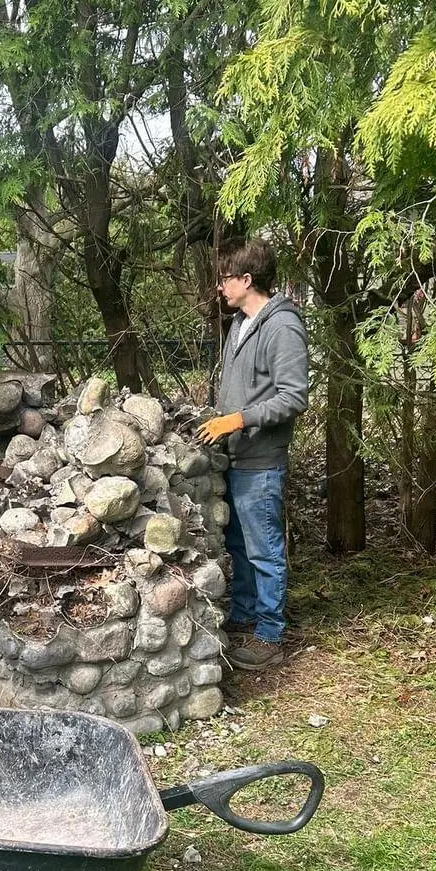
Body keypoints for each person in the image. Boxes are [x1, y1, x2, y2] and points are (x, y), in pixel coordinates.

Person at [196, 238, 309, 671]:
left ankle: (269, 634)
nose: (220, 287)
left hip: (261, 459)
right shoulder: (241, 324)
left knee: (263, 549)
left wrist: (236, 420)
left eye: (225, 279)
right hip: (236, 458)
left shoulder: (282, 327)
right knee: (239, 546)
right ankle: (243, 614)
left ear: (247, 279)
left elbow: (293, 396)